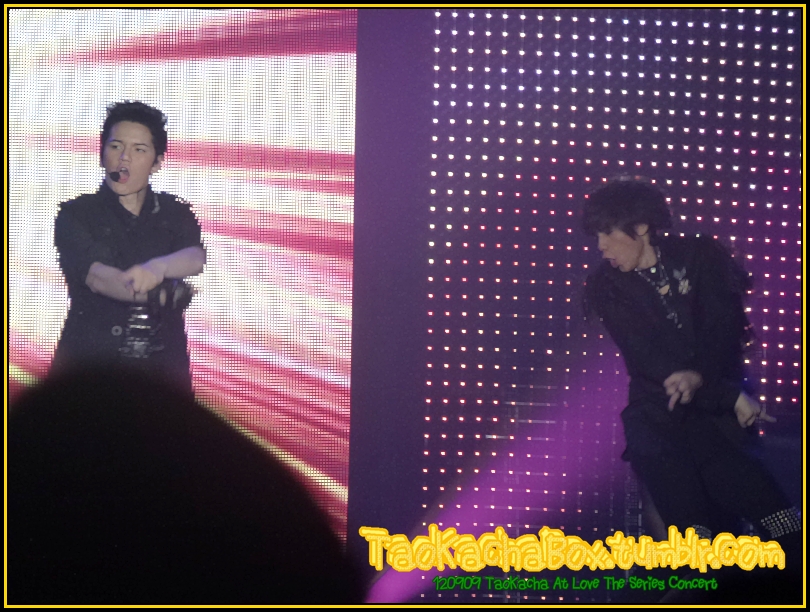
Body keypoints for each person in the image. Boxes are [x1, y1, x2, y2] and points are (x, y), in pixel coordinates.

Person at [581, 178, 801, 603]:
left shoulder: (701, 258)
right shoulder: (607, 288)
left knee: (783, 524)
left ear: (641, 227)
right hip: (661, 429)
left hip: (714, 427)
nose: (602, 246)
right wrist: (727, 395)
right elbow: (649, 360)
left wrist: (712, 386)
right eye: (597, 236)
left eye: (608, 233)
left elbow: (723, 331)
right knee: (697, 545)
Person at [51, 101, 205, 394]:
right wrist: (158, 294)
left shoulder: (175, 211)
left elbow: (195, 256)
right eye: (116, 147)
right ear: (102, 154)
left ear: (157, 163)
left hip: (162, 378)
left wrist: (158, 268)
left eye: (139, 150)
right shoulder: (76, 214)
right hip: (89, 374)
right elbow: (98, 277)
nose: (124, 158)